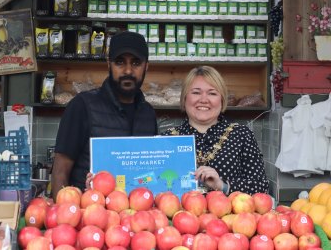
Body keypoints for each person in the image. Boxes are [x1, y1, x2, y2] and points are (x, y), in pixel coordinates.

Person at [52, 31, 158, 200]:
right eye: (120, 62)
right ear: (108, 64)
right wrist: (63, 216)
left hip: (136, 215)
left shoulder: (148, 113)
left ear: (146, 66)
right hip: (88, 215)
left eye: (136, 62)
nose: (128, 70)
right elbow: (60, 170)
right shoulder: (82, 106)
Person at [162, 66, 269, 195]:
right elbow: (155, 185)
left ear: (222, 100)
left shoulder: (241, 135)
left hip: (229, 215)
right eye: (196, 92)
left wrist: (222, 185)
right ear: (184, 98)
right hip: (179, 214)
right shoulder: (166, 139)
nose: (204, 99)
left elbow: (261, 186)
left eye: (212, 93)